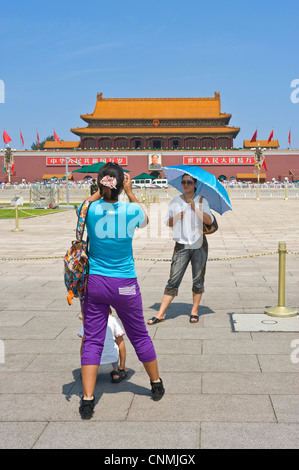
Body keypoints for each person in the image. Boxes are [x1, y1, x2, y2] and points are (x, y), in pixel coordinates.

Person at [78, 162, 164, 420]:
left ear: (100, 182)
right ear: (121, 183)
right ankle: (156, 383)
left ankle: (88, 400)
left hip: (96, 282)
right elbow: (146, 220)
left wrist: (97, 190)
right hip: (125, 282)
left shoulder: (89, 209)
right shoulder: (130, 209)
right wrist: (129, 191)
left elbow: (82, 207)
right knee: (139, 335)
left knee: (92, 339)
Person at [148, 173, 213, 325]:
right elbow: (168, 223)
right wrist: (177, 216)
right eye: (183, 182)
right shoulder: (175, 201)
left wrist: (195, 208)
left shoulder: (202, 201)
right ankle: (161, 313)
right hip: (181, 245)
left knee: (198, 279)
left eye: (189, 182)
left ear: (195, 184)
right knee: (173, 279)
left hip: (199, 245)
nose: (186, 185)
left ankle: (194, 311)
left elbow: (209, 220)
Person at [78, 308, 129, 382]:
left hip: (91, 365)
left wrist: (83, 367)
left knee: (87, 344)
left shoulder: (87, 320)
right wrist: (122, 368)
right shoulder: (113, 319)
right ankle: (116, 372)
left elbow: (83, 347)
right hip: (111, 364)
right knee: (116, 342)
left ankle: (86, 373)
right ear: (110, 314)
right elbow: (122, 345)